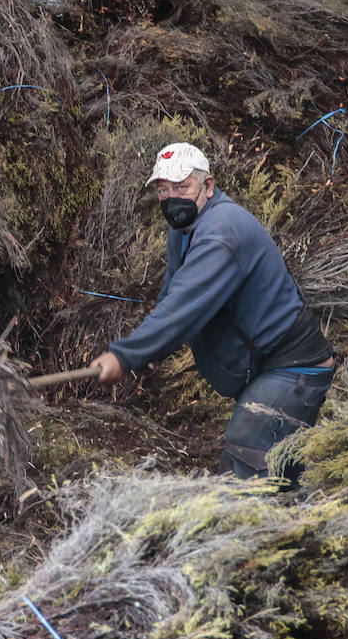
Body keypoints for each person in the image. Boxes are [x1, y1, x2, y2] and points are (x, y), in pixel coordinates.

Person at [90, 141, 335, 483]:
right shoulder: (184, 233)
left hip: (292, 368)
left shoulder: (221, 232)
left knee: (245, 465)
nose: (172, 197)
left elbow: (184, 307)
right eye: (163, 189)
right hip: (273, 368)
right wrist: (152, 351)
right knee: (284, 479)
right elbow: (172, 296)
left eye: (182, 187)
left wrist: (124, 355)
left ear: (207, 186)